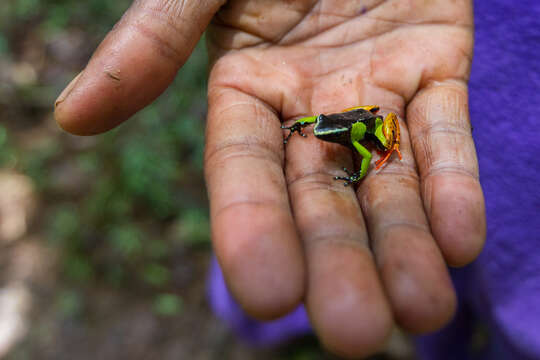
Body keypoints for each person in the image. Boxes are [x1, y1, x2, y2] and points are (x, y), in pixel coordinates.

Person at [55, 1, 493, 358]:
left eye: (327, 133)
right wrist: (301, 125)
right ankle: (284, 330)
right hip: (351, 114)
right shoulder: (328, 123)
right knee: (273, 249)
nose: (323, 135)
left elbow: (360, 158)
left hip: (374, 123)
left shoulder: (358, 142)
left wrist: (362, 167)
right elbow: (321, 120)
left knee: (444, 268)